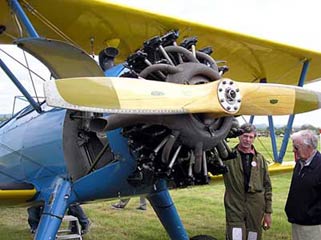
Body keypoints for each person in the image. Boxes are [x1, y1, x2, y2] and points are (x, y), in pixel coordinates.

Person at [223, 123, 272, 240]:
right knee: (235, 235)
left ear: (254, 138)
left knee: (253, 235)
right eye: (245, 136)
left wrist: (268, 212)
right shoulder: (228, 157)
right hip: (234, 203)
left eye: (251, 137)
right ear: (239, 137)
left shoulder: (260, 159)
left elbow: (267, 186)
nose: (247, 140)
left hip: (255, 206)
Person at [285, 129, 321, 240]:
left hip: (313, 226)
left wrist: (311, 214)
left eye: (296, 147)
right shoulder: (300, 164)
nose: (293, 150)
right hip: (297, 222)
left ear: (309, 147)